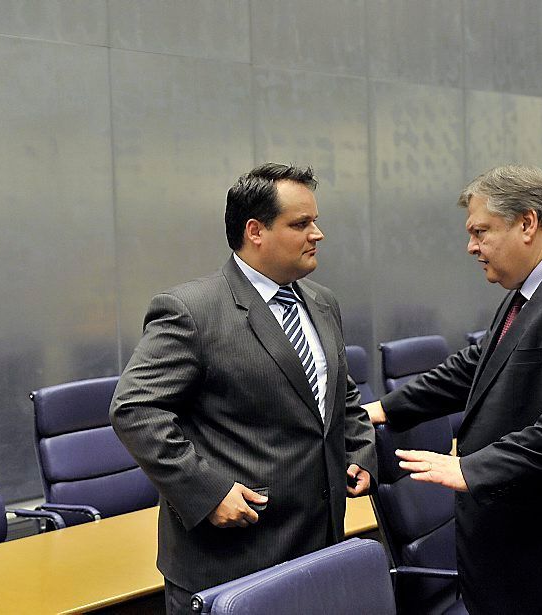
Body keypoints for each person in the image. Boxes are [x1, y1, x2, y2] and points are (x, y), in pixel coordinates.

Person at [110, 163, 376, 614]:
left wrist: (359, 452)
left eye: (315, 220)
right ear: (255, 231)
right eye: (301, 224)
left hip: (320, 546)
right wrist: (207, 490)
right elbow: (135, 409)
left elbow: (339, 395)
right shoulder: (192, 310)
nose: (318, 233)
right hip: (234, 561)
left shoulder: (322, 302)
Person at [365, 165, 542, 615]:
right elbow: (480, 364)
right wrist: (384, 409)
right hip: (519, 556)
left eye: (481, 231)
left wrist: (474, 468)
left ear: (527, 222)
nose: (471, 247)